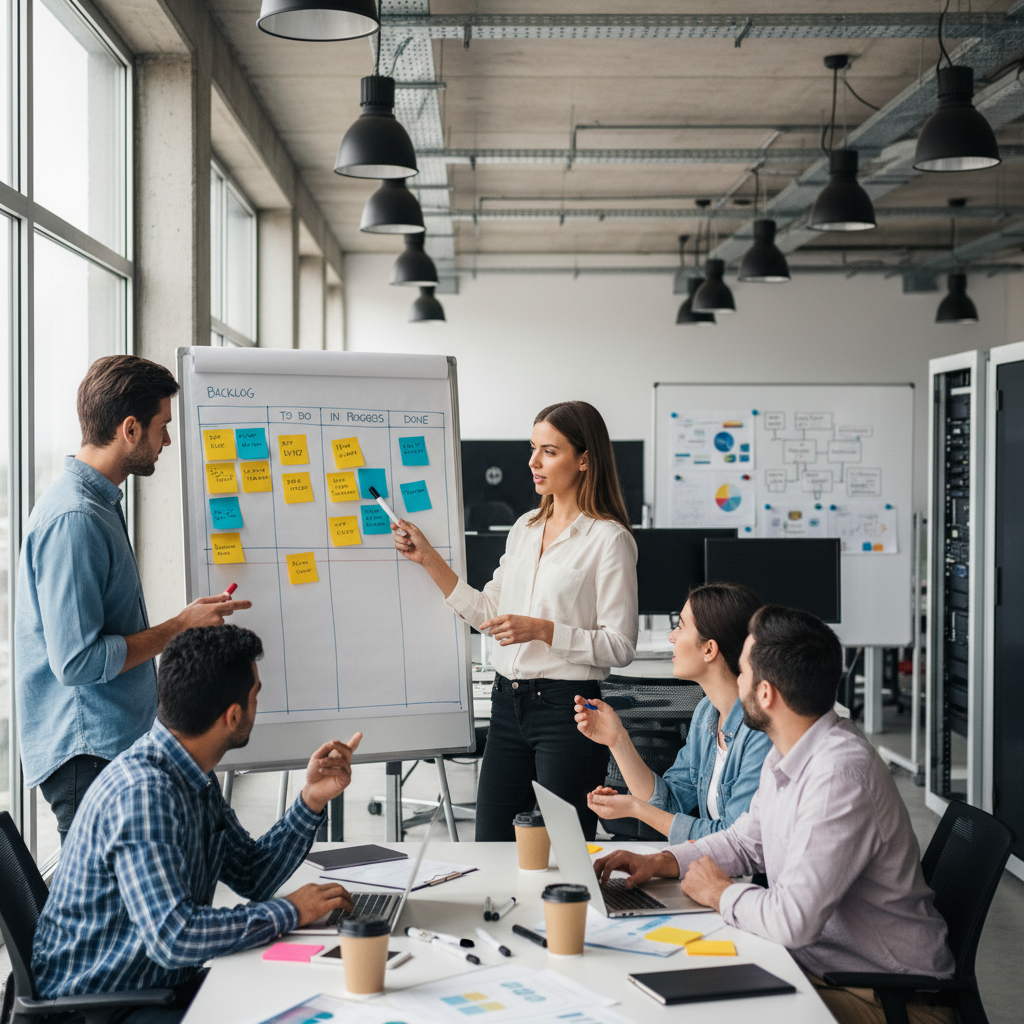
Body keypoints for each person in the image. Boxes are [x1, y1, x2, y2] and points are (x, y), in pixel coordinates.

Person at [594, 606, 954, 1024]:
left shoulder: (839, 776)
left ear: (766, 694)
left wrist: (719, 892)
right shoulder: (791, 746)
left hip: (889, 999)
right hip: (822, 970)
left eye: (743, 673)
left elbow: (792, 922)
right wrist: (662, 861)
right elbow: (745, 841)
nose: (736, 681)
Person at [32, 624, 360, 1022]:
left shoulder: (192, 773)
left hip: (154, 983)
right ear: (233, 715)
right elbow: (175, 936)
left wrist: (311, 800)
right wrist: (290, 911)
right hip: (103, 1006)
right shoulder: (143, 794)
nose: (258, 703)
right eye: (256, 695)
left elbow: (251, 874)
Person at [15, 355, 251, 842]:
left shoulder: (97, 506)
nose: (167, 440)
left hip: (107, 746)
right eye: (162, 426)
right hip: (88, 756)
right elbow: (78, 661)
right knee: (105, 914)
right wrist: (180, 626)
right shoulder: (75, 519)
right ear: (129, 428)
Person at [393, 400, 637, 841]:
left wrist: (544, 631)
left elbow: (620, 645)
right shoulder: (524, 527)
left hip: (570, 711)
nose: (532, 462)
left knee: (563, 850)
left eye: (549, 450)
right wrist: (427, 558)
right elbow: (489, 611)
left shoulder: (609, 539)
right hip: (508, 706)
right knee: (490, 842)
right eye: (533, 448)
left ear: (584, 459)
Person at [575, 582, 771, 842]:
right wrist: (617, 739)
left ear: (709, 649)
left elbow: (734, 839)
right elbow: (669, 805)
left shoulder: (761, 731)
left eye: (680, 626)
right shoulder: (706, 715)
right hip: (710, 866)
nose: (671, 637)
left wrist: (636, 808)